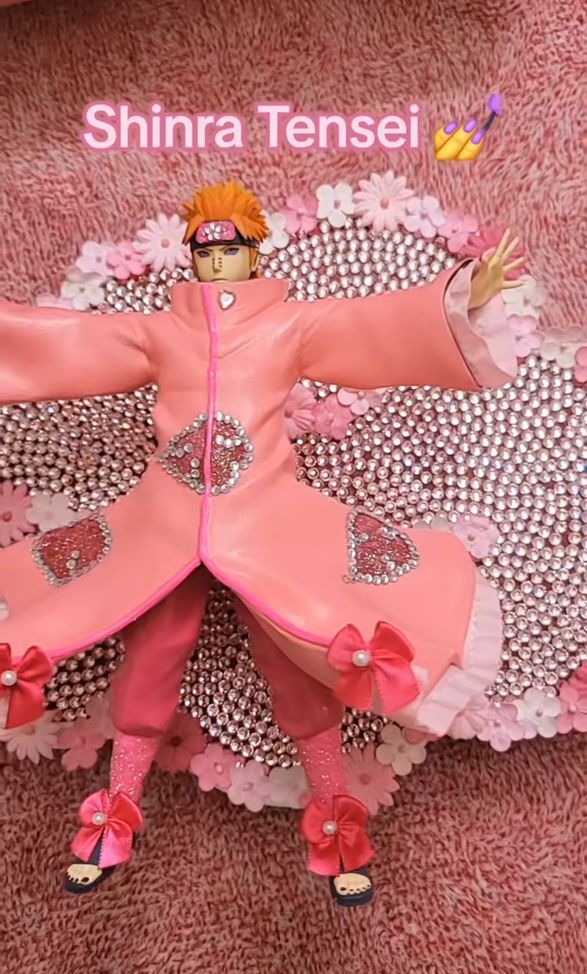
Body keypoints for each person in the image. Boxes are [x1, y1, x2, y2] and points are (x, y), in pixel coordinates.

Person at [0, 180, 525, 906]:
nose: (216, 261)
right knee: (150, 656)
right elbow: (63, 344)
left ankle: (337, 825)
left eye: (231, 247)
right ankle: (112, 817)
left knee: (299, 660)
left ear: (253, 252)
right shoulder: (159, 332)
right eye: (204, 249)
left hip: (265, 524)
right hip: (165, 525)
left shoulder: (290, 325)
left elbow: (371, 325)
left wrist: (458, 299)